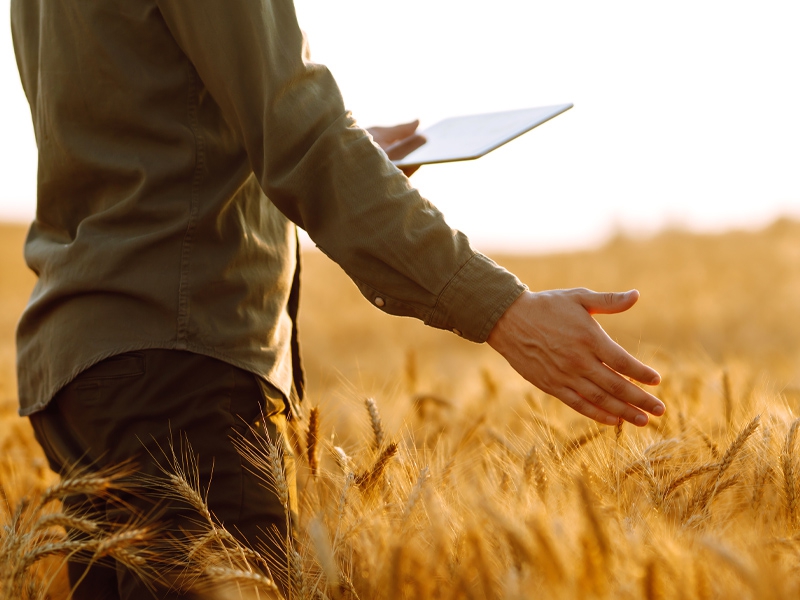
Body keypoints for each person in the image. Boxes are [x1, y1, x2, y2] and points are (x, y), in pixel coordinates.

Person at [10, 0, 664, 597]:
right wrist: (502, 308)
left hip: (84, 368)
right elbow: (302, 139)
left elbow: (136, 122)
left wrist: (348, 157)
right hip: (178, 372)